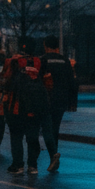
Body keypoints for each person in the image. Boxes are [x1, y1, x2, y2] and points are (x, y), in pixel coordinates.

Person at [2, 38, 49, 174]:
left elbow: (6, 80)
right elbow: (45, 81)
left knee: (16, 135)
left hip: (15, 105)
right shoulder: (40, 62)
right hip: (35, 106)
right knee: (32, 136)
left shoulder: (13, 61)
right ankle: (33, 166)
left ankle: (18, 165)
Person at [39, 35, 77, 172]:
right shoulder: (65, 61)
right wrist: (72, 102)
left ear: (45, 46)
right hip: (62, 99)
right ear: (57, 46)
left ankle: (53, 155)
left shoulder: (43, 60)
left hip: (46, 99)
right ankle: (53, 155)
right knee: (55, 128)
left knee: (47, 128)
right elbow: (72, 82)